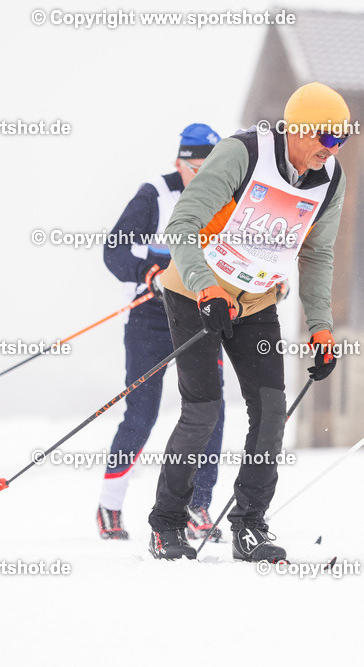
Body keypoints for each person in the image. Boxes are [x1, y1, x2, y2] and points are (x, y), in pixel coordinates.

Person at [146, 82, 349, 561]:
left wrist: (321, 325)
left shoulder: (330, 178)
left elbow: (317, 254)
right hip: (196, 292)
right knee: (203, 412)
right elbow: (183, 224)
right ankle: (167, 524)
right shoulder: (243, 153)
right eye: (325, 136)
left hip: (256, 301)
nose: (331, 147)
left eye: (341, 139)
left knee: (271, 411)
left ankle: (249, 523)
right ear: (296, 129)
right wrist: (206, 288)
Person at [98, 124, 226, 542]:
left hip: (199, 313)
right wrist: (146, 272)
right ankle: (111, 504)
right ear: (179, 163)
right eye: (195, 168)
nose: (202, 175)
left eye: (210, 167)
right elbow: (114, 248)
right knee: (142, 413)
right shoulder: (155, 193)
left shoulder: (227, 193)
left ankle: (198, 505)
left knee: (210, 409)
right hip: (151, 316)